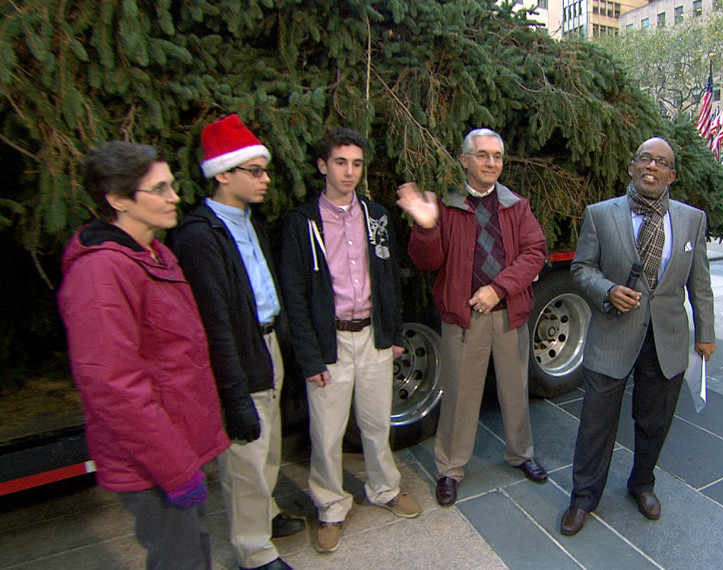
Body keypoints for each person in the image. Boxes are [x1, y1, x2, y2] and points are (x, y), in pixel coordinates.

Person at [57, 141, 230, 570]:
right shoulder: (100, 273)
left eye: (172, 185)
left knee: (196, 549)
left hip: (179, 448)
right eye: (160, 189)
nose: (175, 197)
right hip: (154, 464)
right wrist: (175, 470)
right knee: (179, 560)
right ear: (118, 200)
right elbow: (114, 387)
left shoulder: (154, 253)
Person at [560, 137, 716, 536]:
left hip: (667, 339)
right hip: (613, 335)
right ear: (631, 167)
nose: (652, 166)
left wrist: (706, 333)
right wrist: (607, 290)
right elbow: (581, 269)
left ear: (671, 175)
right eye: (645, 158)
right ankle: (583, 498)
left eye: (661, 162)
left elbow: (700, 283)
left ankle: (642, 484)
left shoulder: (691, 219)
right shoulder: (600, 215)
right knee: (596, 423)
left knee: (654, 422)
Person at [168, 115, 303, 570]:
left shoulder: (249, 221)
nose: (266, 179)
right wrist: (232, 392)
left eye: (265, 170)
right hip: (239, 353)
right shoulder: (200, 236)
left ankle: (265, 513)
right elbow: (215, 323)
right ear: (223, 174)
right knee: (245, 452)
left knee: (269, 445)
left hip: (268, 345)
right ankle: (254, 551)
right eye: (255, 171)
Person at [279, 127, 421, 554]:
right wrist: (309, 357)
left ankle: (385, 488)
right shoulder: (302, 223)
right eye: (340, 162)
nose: (349, 172)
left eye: (356, 164)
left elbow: (389, 278)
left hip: (373, 339)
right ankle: (330, 507)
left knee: (377, 423)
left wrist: (394, 334)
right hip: (330, 344)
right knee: (326, 432)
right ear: (323, 165)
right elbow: (295, 295)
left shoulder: (375, 216)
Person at [397, 128, 548, 508]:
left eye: (496, 156)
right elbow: (425, 262)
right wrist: (427, 225)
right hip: (464, 320)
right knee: (460, 396)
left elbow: (535, 252)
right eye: (481, 155)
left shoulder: (517, 206)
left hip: (509, 313)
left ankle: (521, 453)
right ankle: (450, 469)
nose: (490, 163)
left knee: (515, 390)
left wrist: (498, 288)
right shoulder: (446, 206)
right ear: (464, 160)